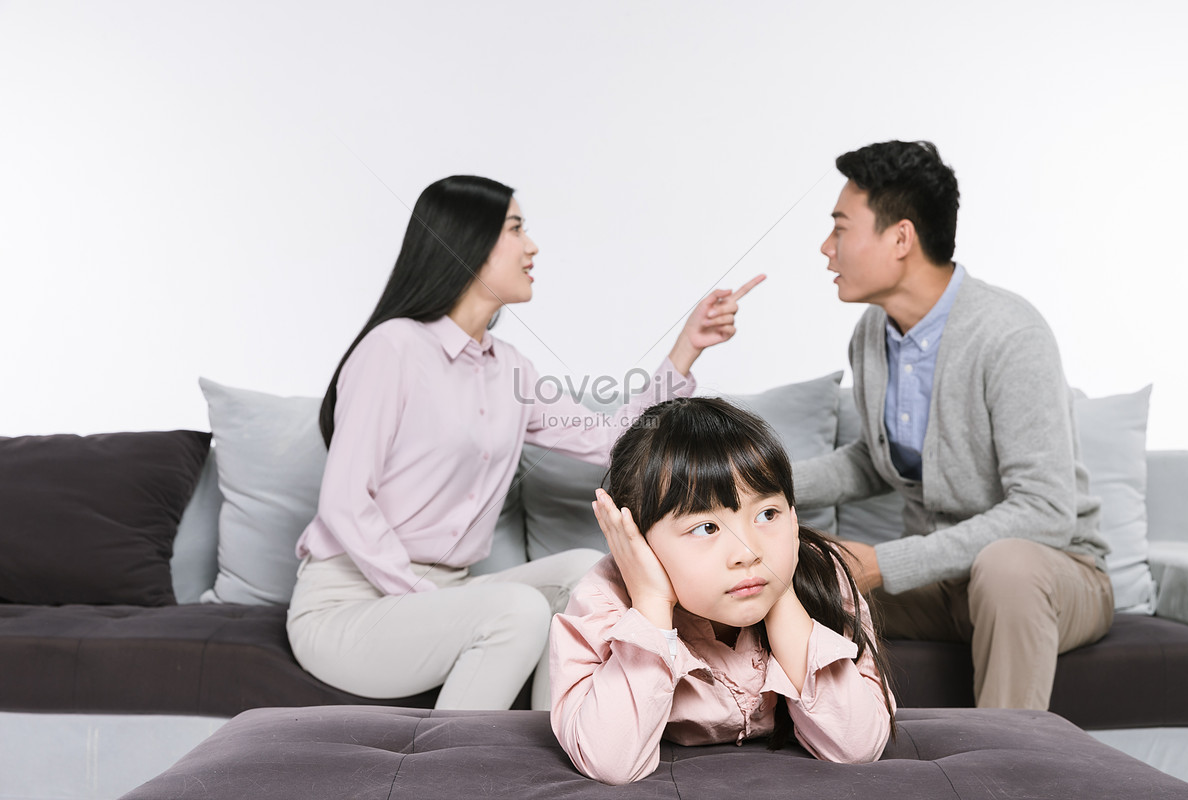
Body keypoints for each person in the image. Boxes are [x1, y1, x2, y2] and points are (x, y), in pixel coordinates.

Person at [287, 175, 763, 713]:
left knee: (588, 570)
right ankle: (453, 773)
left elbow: (612, 440)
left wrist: (685, 350)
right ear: (466, 241)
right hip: (348, 605)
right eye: (516, 228)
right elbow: (345, 503)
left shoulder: (508, 368)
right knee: (514, 610)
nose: (532, 245)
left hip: (444, 596)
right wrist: (428, 600)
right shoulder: (393, 347)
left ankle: (556, 750)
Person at [793, 140, 1113, 710]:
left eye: (840, 227)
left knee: (1006, 566)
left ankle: (1002, 777)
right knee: (799, 574)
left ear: (900, 239)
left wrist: (885, 563)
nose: (826, 247)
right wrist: (762, 484)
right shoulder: (872, 334)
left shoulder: (1009, 334)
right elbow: (878, 459)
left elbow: (1044, 511)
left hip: (1053, 575)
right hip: (944, 584)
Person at [550, 397, 895, 785]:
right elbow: (611, 763)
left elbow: (858, 744)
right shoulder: (604, 600)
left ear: (794, 517)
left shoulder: (825, 578)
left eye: (767, 515)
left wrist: (782, 594)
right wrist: (650, 603)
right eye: (707, 528)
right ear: (637, 540)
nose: (748, 553)